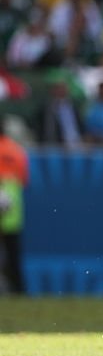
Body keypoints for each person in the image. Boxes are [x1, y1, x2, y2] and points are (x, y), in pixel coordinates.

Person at [0, 120, 28, 293]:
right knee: (13, 252)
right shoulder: (16, 150)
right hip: (13, 207)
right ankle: (18, 289)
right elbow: (24, 179)